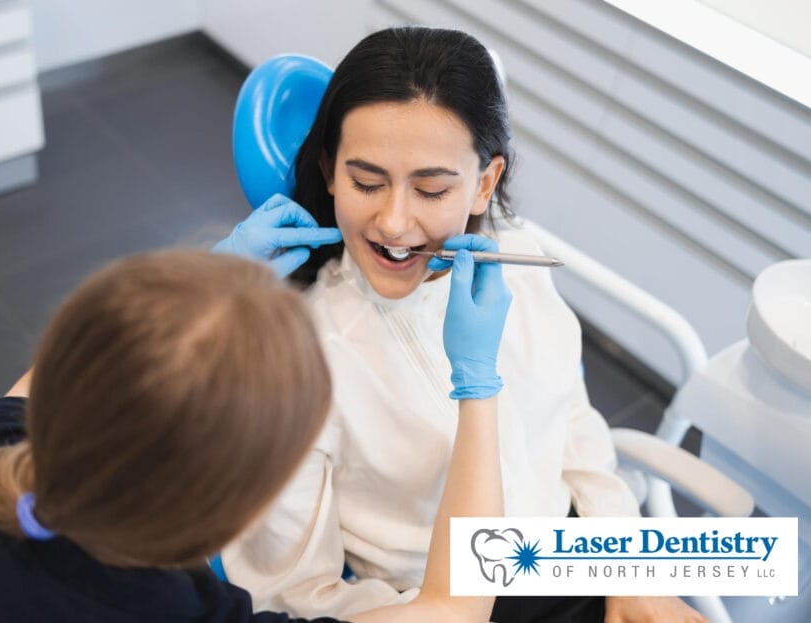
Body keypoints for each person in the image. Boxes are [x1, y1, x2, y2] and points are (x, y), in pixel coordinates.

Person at [219, 27, 706, 623]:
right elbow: (294, 593)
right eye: (366, 183)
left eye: (431, 189)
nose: (394, 222)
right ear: (329, 171)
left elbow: (572, 422)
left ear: (483, 183)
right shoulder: (297, 361)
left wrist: (628, 568)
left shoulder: (514, 260)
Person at [0, 246, 512, 622]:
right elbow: (455, 606)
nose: (398, 221)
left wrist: (196, 306)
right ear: (235, 524)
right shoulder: (178, 610)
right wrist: (479, 385)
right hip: (501, 570)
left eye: (431, 187)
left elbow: (73, 369)